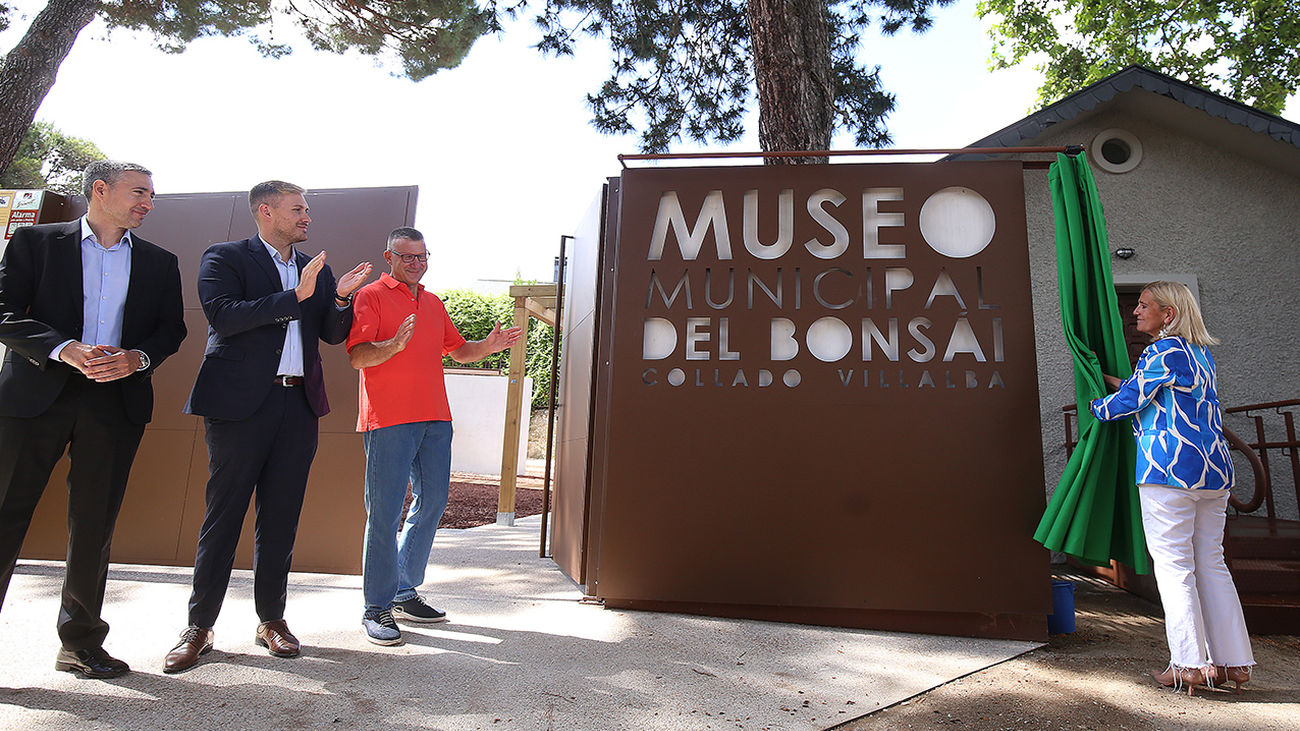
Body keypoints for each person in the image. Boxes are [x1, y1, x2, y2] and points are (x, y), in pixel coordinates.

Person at [164, 181, 372, 673]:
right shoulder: (225, 256)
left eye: (307, 210)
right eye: (297, 209)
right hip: (239, 406)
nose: (306, 218)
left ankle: (271, 620)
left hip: (297, 407)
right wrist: (291, 295)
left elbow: (330, 333)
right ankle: (199, 626)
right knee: (224, 515)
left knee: (280, 517)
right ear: (266, 211)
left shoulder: (315, 269)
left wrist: (339, 299)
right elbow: (222, 317)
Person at [0, 161, 187, 679]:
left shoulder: (158, 261)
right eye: (139, 192)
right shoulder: (35, 243)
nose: (148, 202)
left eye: (151, 195)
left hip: (114, 404)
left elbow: (171, 330)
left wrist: (137, 359)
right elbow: (3, 310)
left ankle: (80, 643)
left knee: (94, 525)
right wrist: (63, 349)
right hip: (34, 399)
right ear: (99, 191)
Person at [346, 227, 520, 644]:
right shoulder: (369, 296)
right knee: (384, 515)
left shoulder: (432, 301)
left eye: (422, 257)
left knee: (434, 502)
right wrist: (391, 345)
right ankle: (376, 607)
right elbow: (357, 356)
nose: (417, 264)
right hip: (387, 419)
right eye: (408, 257)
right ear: (389, 257)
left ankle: (404, 590)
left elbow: (458, 350)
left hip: (435, 420)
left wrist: (489, 345)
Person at [1090, 281, 1254, 695]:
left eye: (1144, 306)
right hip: (1213, 474)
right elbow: (1145, 388)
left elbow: (1129, 402)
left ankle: (1188, 665)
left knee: (1175, 567)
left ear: (1169, 314)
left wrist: (1095, 402)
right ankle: (1234, 663)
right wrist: (1115, 382)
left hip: (1170, 471)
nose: (1135, 312)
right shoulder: (1200, 355)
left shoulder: (1162, 351)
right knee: (1211, 566)